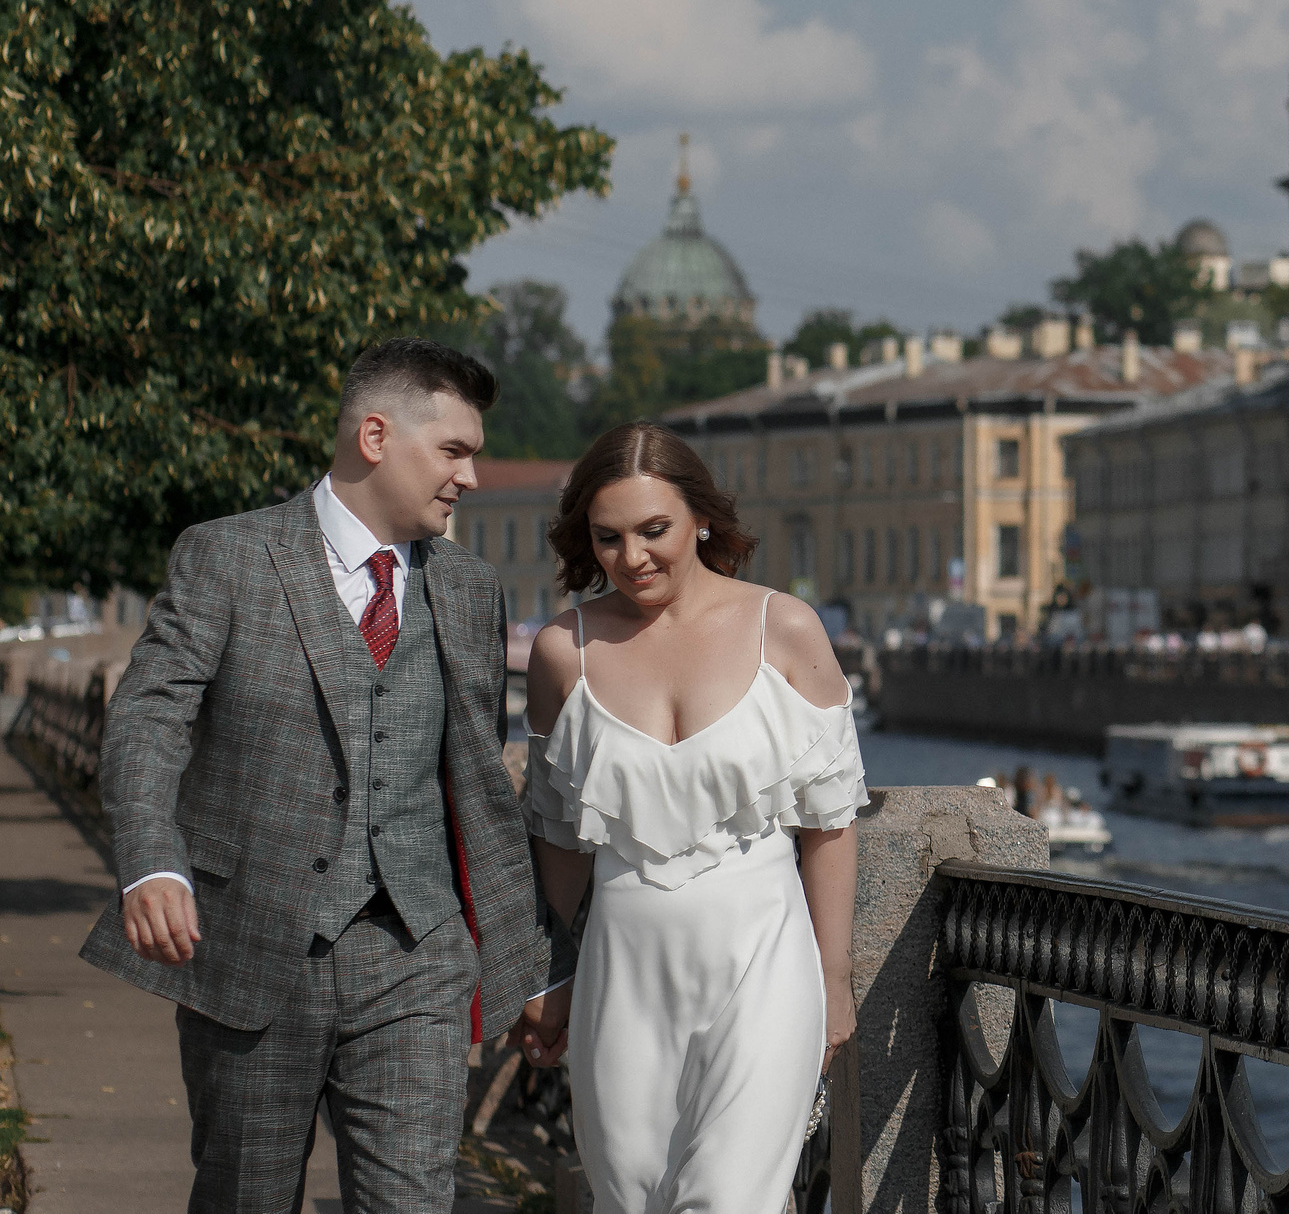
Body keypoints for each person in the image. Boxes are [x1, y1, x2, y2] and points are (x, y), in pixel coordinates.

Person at [83, 337, 575, 1210]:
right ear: (375, 437)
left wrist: (533, 962)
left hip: (419, 953)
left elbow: (481, 792)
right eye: (453, 451)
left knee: (413, 1201)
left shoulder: (469, 588)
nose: (469, 477)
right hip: (250, 941)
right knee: (247, 1195)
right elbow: (149, 716)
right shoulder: (229, 555)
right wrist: (153, 862)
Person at [519, 422, 862, 1213]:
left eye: (654, 530)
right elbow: (559, 841)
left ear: (702, 518)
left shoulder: (786, 628)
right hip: (622, 969)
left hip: (764, 961)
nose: (632, 557)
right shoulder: (562, 651)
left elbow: (831, 824)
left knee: (730, 1200)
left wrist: (834, 980)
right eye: (608, 537)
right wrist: (547, 975)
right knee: (631, 1198)